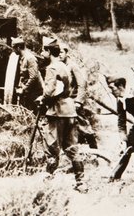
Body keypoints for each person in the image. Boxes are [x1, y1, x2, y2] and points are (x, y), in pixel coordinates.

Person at [37, 37, 87, 193]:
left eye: (43, 50)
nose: (41, 53)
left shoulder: (51, 68)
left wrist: (43, 99)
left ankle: (47, 181)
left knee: (52, 146)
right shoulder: (64, 66)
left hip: (57, 111)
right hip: (69, 110)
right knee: (72, 147)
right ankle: (81, 182)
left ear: (48, 51)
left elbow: (50, 90)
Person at [59, 43, 98, 149]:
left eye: (62, 52)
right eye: (58, 52)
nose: (60, 54)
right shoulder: (59, 65)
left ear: (67, 53)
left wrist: (78, 101)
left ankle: (93, 146)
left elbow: (82, 84)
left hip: (74, 100)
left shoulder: (72, 66)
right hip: (65, 101)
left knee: (83, 124)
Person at [12, 37, 43, 111]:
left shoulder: (30, 58)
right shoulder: (22, 58)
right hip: (29, 91)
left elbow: (33, 77)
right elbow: (23, 75)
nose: (13, 50)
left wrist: (24, 89)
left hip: (35, 92)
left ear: (19, 47)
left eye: (13, 48)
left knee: (33, 112)